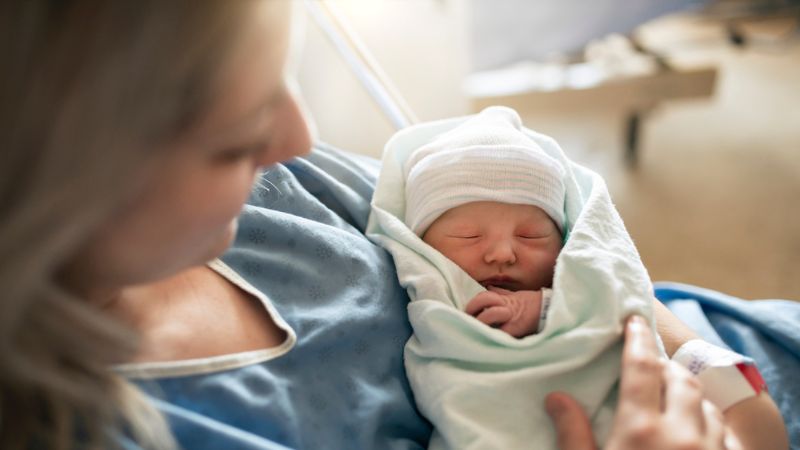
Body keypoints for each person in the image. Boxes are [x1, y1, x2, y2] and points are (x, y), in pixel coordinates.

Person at [0, 1, 787, 450]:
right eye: (233, 137)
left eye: (283, 79)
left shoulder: (278, 189)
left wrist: (731, 391)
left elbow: (604, 268)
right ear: (55, 175)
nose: (299, 139)